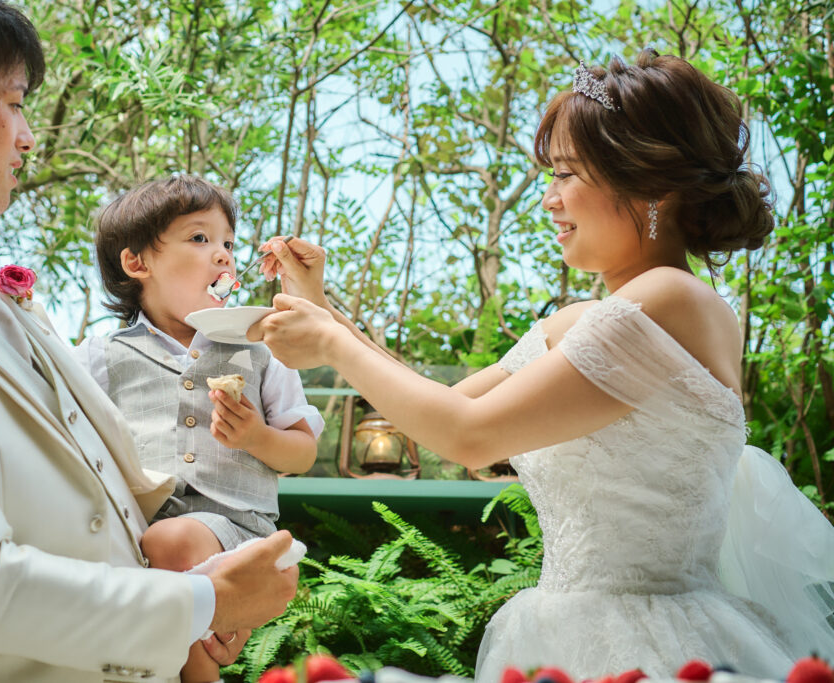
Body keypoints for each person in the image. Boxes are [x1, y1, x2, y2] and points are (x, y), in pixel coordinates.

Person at [249, 49, 834, 678]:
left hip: (652, 641)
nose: (549, 199)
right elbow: (446, 407)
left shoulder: (672, 299)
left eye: (567, 174)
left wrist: (331, 343)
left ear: (651, 184)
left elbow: (469, 437)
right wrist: (319, 302)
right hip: (565, 624)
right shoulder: (590, 317)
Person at [0, 2, 298, 681]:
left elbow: (102, 477)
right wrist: (200, 601)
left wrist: (207, 583)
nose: (29, 137)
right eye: (14, 103)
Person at [73, 175, 323, 683]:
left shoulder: (264, 349)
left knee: (175, 540)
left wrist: (256, 438)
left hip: (239, 531)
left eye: (228, 243)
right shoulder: (99, 357)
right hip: (138, 532)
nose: (224, 256)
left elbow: (302, 452)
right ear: (137, 263)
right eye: (199, 238)